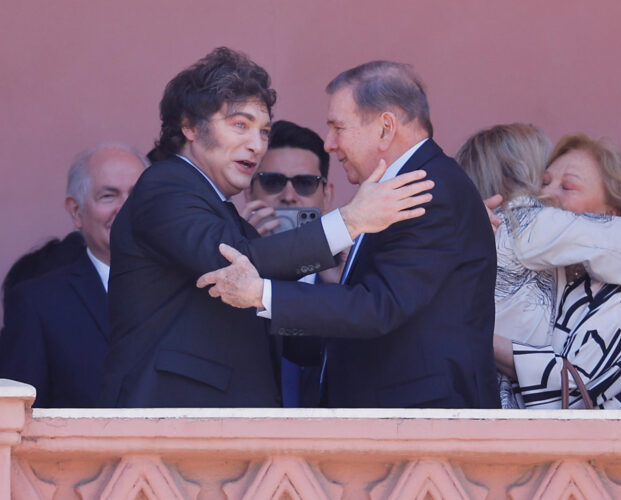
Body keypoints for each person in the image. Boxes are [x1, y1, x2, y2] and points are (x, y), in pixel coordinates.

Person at [100, 48, 432, 408]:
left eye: (264, 131)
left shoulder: (230, 220)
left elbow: (295, 339)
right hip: (172, 427)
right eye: (240, 125)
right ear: (191, 126)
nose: (257, 145)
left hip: (220, 432)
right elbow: (233, 261)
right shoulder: (164, 185)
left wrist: (367, 290)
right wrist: (351, 221)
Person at [198, 61, 500, 409]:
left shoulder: (426, 188)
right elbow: (359, 328)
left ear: (385, 128)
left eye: (338, 127)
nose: (329, 144)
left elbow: (378, 306)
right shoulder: (399, 188)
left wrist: (261, 293)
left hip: (421, 426)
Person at [455, 124, 621, 407]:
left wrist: (473, 334)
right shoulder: (554, 270)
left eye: (567, 187)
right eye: (543, 183)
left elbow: (574, 385)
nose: (546, 195)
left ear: (611, 214)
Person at [0, 143, 147, 407]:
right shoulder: (38, 305)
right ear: (76, 212)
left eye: (138, 195)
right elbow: (18, 423)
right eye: (108, 196)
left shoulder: (193, 289)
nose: (127, 209)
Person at [242, 119, 336, 407]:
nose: (289, 196)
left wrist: (340, 286)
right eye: (273, 182)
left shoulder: (349, 279)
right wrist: (247, 252)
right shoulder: (225, 269)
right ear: (249, 191)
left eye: (305, 183)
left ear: (327, 195)